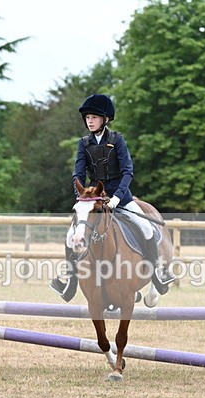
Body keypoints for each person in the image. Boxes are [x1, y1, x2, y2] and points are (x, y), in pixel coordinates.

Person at [50, 94, 175, 302]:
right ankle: (70, 282)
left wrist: (117, 197)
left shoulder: (117, 140)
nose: (90, 121)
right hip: (94, 201)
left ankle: (157, 275)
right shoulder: (83, 144)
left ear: (105, 119)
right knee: (71, 235)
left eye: (94, 117)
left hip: (121, 197)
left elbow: (127, 171)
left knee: (146, 228)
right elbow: (77, 175)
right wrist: (82, 198)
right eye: (87, 117)